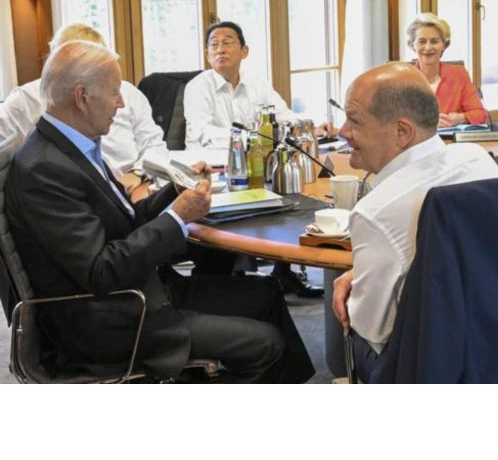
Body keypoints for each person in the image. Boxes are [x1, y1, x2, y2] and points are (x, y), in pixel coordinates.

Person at [3, 40, 314, 383]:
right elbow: (101, 271)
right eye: (114, 92)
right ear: (82, 96)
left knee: (267, 292)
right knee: (266, 345)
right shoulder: (45, 169)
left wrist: (173, 192)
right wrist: (176, 217)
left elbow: (124, 224)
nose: (121, 103)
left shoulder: (73, 148)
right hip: (113, 322)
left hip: (141, 291)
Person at [329, 62, 498, 381]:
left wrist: (361, 283)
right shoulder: (476, 159)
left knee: (347, 315)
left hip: (425, 367)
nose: (342, 131)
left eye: (354, 120)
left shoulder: (376, 213)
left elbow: (372, 329)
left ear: (402, 132)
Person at [183, 20, 330, 296]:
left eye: (227, 43)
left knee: (291, 194)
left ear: (244, 51)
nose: (220, 49)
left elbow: (282, 116)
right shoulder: (198, 86)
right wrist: (251, 136)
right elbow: (202, 132)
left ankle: (282, 272)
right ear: (207, 54)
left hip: (257, 162)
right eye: (213, 45)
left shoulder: (256, 83)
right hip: (216, 170)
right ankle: (232, 283)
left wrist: (310, 126)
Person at [0, 22, 168, 199]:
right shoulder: (25, 100)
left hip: (133, 188)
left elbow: (155, 145)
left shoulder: (128, 95)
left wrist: (138, 175)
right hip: (66, 192)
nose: (120, 104)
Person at [406, 13, 487, 127]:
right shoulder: (402, 78)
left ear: (445, 45)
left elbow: (480, 114)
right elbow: (391, 119)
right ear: (411, 45)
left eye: (434, 41)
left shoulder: (459, 74)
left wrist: (459, 118)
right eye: (422, 41)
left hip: (449, 137)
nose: (428, 47)